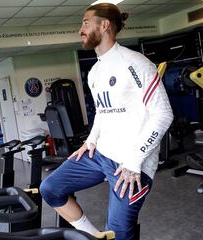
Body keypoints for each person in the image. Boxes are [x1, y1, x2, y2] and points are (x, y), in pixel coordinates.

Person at [40, 3, 173, 240]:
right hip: (100, 155)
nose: (80, 28)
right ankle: (93, 236)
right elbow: (102, 111)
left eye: (85, 22)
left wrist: (134, 161)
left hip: (132, 165)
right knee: (50, 189)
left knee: (120, 234)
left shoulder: (136, 63)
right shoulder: (95, 73)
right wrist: (91, 140)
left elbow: (163, 114)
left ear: (104, 25)